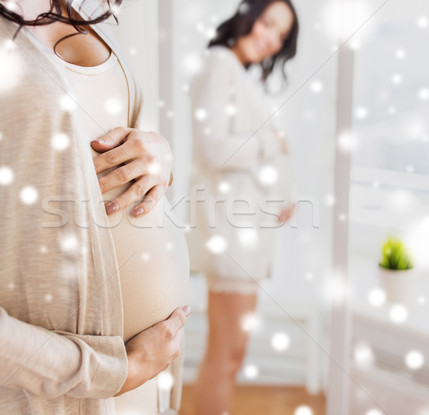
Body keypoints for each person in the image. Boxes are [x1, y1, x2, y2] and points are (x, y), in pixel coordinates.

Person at [0, 0, 188, 414]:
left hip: (145, 376)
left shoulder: (82, 4)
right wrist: (102, 372)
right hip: (45, 392)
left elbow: (96, 132)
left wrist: (161, 160)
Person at [187, 0, 299, 413]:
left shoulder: (235, 72)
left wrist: (280, 198)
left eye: (281, 35)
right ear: (247, 15)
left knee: (232, 355)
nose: (271, 39)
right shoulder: (219, 64)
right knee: (225, 356)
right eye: (268, 24)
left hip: (246, 233)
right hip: (232, 236)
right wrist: (273, 143)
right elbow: (212, 148)